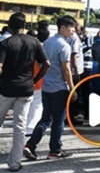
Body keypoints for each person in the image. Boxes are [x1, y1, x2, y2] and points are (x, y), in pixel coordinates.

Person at [0, 13, 50, 172]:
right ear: (24, 26)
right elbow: (46, 64)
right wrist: (34, 80)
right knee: (20, 127)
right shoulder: (34, 42)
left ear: (9, 26)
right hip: (26, 89)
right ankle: (14, 163)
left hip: (6, 88)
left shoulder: (5, 43)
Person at [24, 16, 77, 160]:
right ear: (63, 28)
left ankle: (30, 145)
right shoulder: (64, 45)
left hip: (46, 86)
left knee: (45, 118)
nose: (73, 31)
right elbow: (66, 69)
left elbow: (42, 64)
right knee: (58, 120)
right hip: (59, 87)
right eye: (71, 28)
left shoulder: (47, 43)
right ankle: (55, 150)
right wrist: (72, 88)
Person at [26, 28, 51, 136]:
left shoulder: (24, 46)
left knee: (25, 105)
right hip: (38, 80)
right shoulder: (40, 47)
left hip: (25, 80)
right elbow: (45, 65)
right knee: (36, 105)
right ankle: (30, 128)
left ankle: (24, 126)